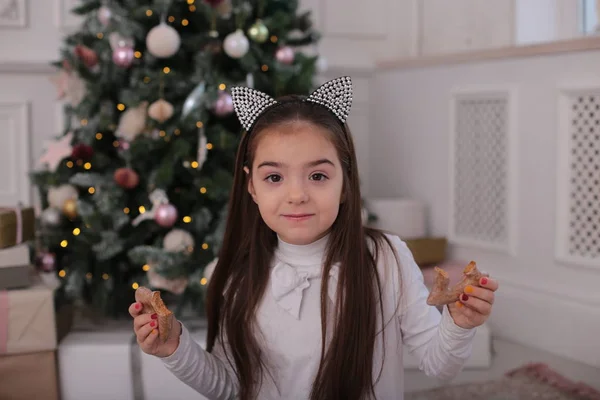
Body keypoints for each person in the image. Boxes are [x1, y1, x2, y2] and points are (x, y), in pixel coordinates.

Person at [129, 76, 499, 400]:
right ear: (251, 186)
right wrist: (174, 346)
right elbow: (229, 386)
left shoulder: (385, 257)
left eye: (318, 176)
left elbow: (439, 365)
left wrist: (459, 324)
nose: (297, 195)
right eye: (274, 177)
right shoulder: (241, 275)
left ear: (344, 183)